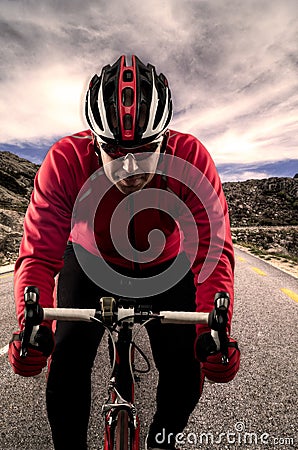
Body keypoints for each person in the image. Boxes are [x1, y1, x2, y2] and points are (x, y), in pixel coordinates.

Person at [8, 55, 240, 450]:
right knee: (64, 364)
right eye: (114, 149)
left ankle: (160, 442)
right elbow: (39, 254)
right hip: (90, 265)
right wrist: (34, 328)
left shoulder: (190, 159)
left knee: (186, 372)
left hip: (167, 266)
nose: (130, 166)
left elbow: (212, 251)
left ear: (166, 139)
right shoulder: (65, 161)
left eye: (147, 149)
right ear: (94, 141)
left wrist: (213, 331)